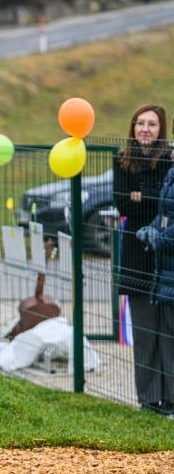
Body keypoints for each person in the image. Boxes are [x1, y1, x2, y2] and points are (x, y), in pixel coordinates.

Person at [113, 105, 172, 414]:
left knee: (168, 331)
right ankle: (148, 398)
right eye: (140, 123)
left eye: (152, 124)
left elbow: (162, 204)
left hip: (165, 256)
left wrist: (143, 196)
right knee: (146, 331)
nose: (145, 129)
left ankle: (170, 397)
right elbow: (122, 201)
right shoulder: (121, 159)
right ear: (132, 127)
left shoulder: (169, 161)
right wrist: (144, 198)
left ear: (161, 130)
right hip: (136, 254)